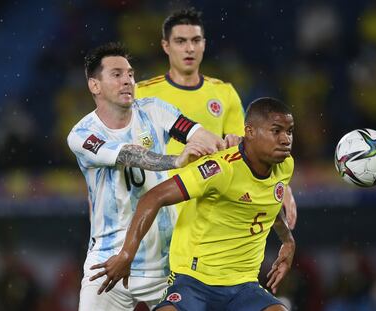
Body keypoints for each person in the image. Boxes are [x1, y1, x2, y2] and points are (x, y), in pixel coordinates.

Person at [91, 97, 296, 311]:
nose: (285, 139)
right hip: (194, 281)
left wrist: (288, 241)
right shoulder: (220, 169)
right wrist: (126, 254)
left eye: (289, 131)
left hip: (243, 285)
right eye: (276, 131)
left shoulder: (285, 166)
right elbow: (153, 197)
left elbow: (269, 203)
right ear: (250, 132)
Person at [67, 42, 225, 311]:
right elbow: (128, 155)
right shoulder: (82, 135)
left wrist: (222, 143)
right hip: (109, 262)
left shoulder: (154, 110)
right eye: (116, 74)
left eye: (130, 74)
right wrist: (175, 160)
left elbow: (197, 134)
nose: (128, 80)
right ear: (95, 85)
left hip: (166, 264)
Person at [135, 8, 297, 229]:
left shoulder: (224, 92)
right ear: (166, 46)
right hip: (157, 208)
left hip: (206, 212)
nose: (189, 48)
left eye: (195, 40)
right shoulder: (142, 94)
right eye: (180, 41)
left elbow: (252, 150)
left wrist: (282, 187)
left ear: (204, 43)